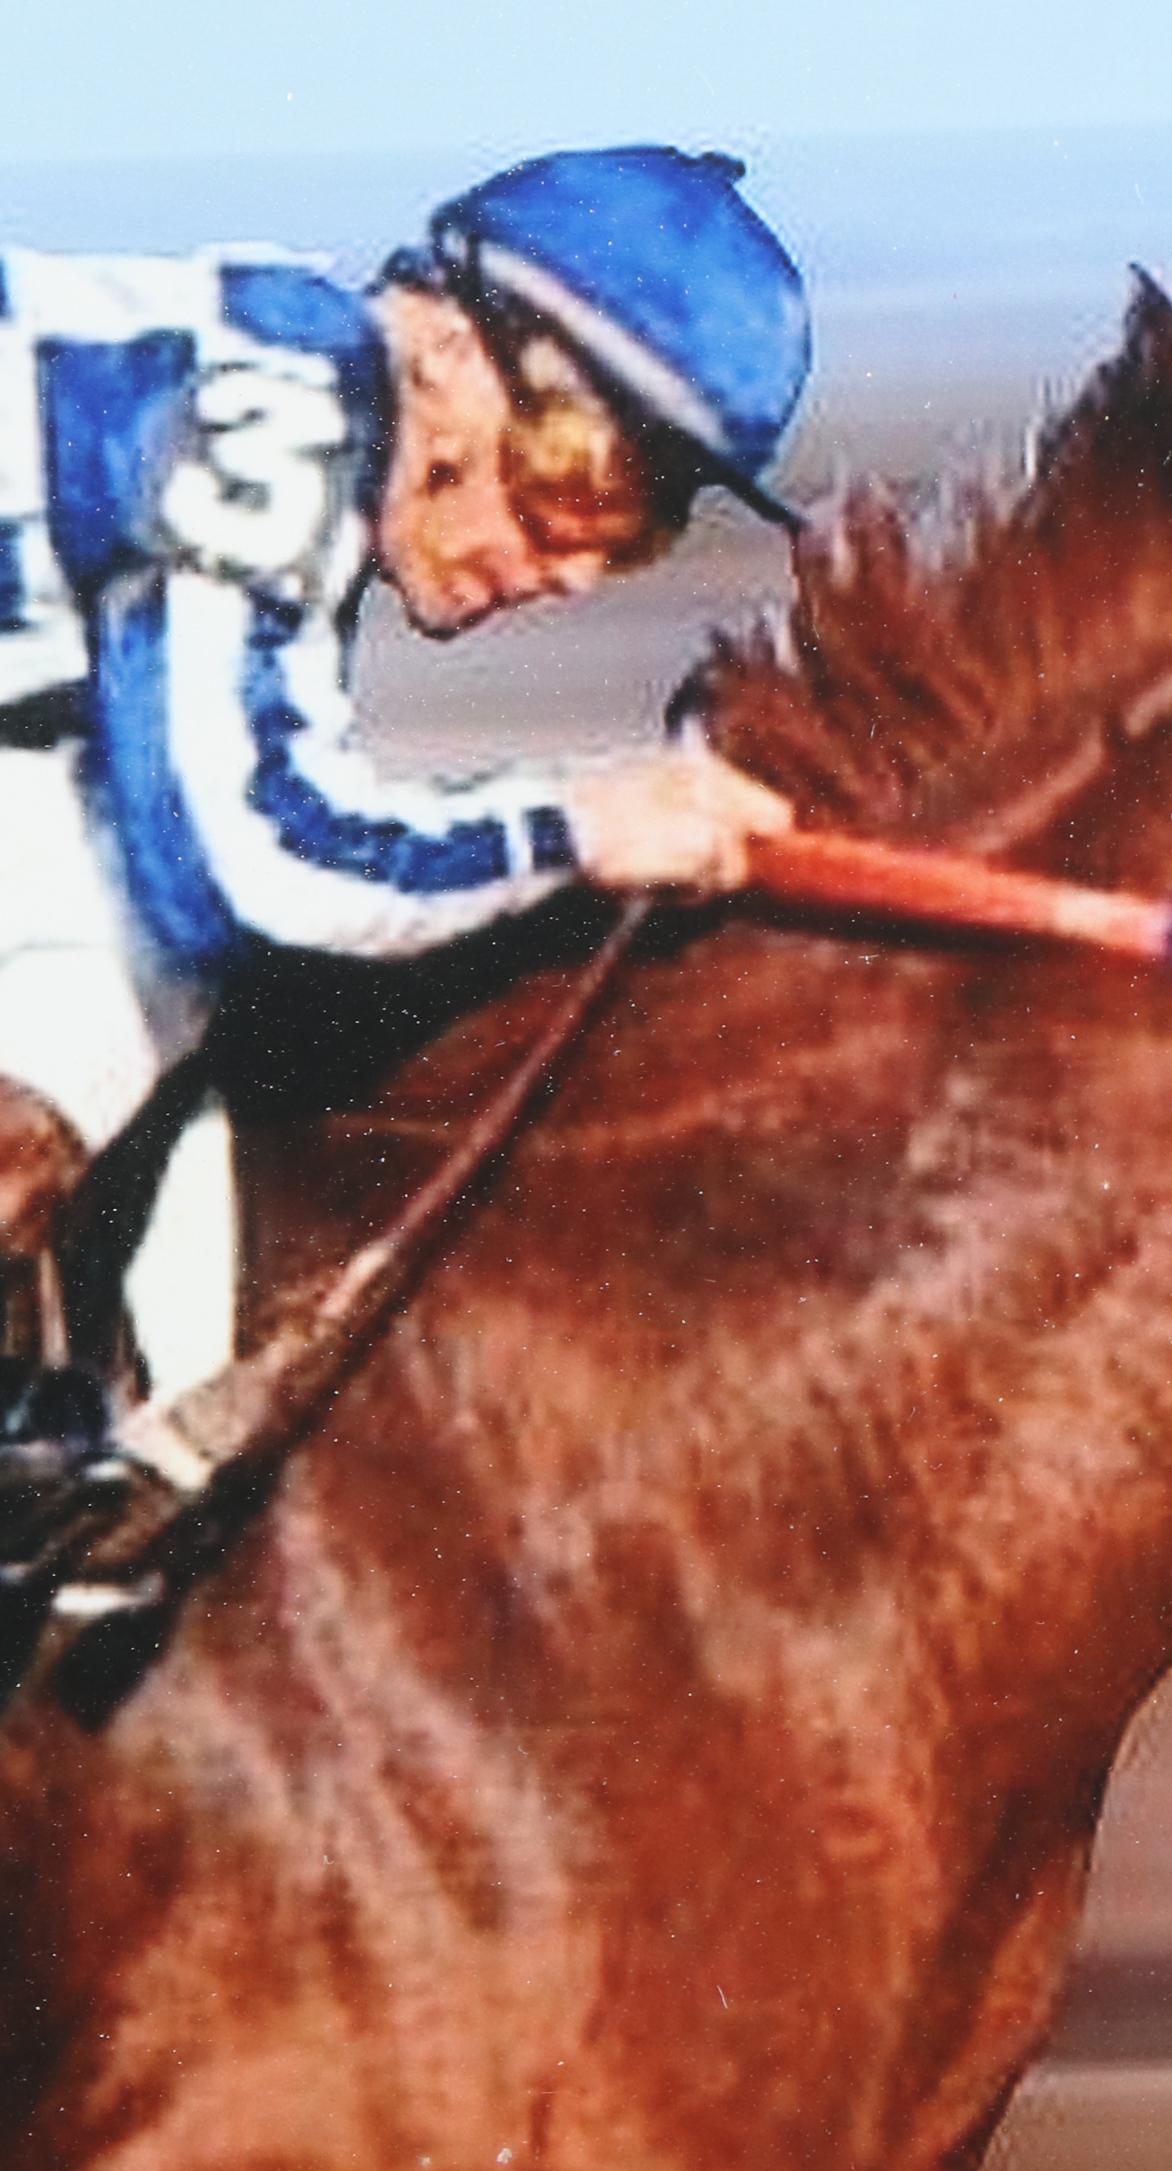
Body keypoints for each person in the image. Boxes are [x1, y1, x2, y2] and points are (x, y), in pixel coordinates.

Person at [0, 144, 802, 1547]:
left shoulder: (289, 401)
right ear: (445, 343)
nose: (574, 566)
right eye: (578, 473)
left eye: (642, 527)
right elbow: (243, 871)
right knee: (114, 971)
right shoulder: (285, 415)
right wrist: (579, 820)